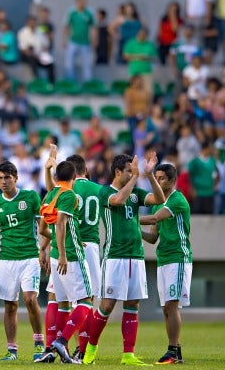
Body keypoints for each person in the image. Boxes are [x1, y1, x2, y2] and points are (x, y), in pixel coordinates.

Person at [82, 153, 166, 366]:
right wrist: (135, 178)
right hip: (114, 257)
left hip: (136, 256)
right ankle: (90, 349)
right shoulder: (105, 192)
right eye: (129, 171)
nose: (132, 174)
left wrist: (149, 176)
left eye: (132, 171)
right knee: (107, 305)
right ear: (118, 171)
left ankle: (128, 354)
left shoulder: (136, 192)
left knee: (132, 304)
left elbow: (160, 199)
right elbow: (119, 200)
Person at [42, 150, 103, 361]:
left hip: (58, 249)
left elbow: (45, 225)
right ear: (82, 172)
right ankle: (80, 349)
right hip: (79, 249)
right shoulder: (94, 190)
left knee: (60, 301)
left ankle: (51, 348)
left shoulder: (53, 194)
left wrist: (45, 247)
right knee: (86, 300)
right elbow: (61, 222)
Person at [0, 161, 45, 361]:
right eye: (0, 178)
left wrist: (44, 250)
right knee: (10, 305)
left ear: (16, 178)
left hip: (30, 257)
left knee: (30, 299)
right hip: (7, 260)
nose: (4, 182)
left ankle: (38, 344)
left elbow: (43, 226)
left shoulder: (31, 197)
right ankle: (12, 350)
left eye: (7, 177)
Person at [139, 164, 192, 365]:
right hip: (164, 259)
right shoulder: (157, 203)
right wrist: (137, 232)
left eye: (162, 178)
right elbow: (153, 237)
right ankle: (175, 352)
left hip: (178, 257)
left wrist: (128, 220)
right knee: (166, 308)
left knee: (172, 305)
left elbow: (154, 219)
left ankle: (173, 351)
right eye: (157, 177)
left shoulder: (177, 200)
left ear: (172, 181)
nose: (159, 181)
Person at [63, 0, 96, 82]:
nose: (82, 4)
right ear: (77, 2)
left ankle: (88, 83)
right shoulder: (71, 12)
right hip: (73, 41)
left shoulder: (89, 13)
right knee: (69, 64)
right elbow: (66, 26)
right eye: (81, 2)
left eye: (84, 2)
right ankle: (70, 82)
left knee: (86, 65)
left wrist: (94, 41)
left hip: (85, 42)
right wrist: (64, 40)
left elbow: (93, 28)